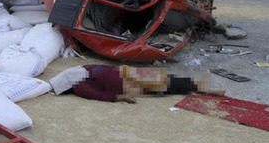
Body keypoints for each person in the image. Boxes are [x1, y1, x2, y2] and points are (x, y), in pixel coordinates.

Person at [49, 64, 225, 103]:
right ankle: (200, 87)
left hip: (123, 72)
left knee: (162, 78)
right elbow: (96, 94)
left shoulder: (83, 70)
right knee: (161, 85)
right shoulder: (79, 85)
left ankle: (196, 84)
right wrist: (120, 97)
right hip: (123, 84)